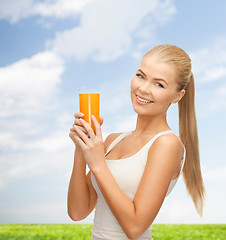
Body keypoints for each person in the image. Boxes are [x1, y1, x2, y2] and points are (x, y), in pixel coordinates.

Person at [68, 44, 206, 240]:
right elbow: (77, 212)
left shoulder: (166, 144)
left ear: (178, 95)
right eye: (141, 76)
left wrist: (98, 163)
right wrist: (81, 150)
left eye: (159, 84)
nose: (143, 89)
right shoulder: (112, 141)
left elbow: (135, 228)